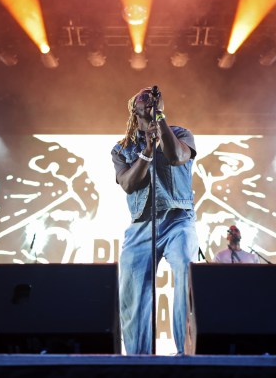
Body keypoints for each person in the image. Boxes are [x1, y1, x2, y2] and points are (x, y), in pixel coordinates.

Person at [111, 87, 198, 355]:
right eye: (141, 94)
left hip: (178, 220)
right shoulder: (122, 148)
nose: (146, 94)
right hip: (141, 225)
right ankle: (139, 359)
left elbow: (176, 156)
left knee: (186, 268)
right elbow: (128, 183)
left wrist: (159, 119)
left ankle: (187, 352)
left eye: (151, 94)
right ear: (132, 107)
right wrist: (147, 150)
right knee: (134, 288)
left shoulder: (180, 134)